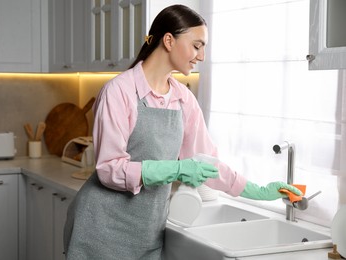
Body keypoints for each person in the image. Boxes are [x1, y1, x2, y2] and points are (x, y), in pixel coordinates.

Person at [63, 4, 302, 260]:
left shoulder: (182, 99)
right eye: (197, 45)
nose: (202, 56)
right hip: (100, 229)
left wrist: (258, 191)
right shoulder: (119, 92)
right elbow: (109, 169)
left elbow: (206, 162)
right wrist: (175, 169)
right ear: (168, 40)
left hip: (147, 233)